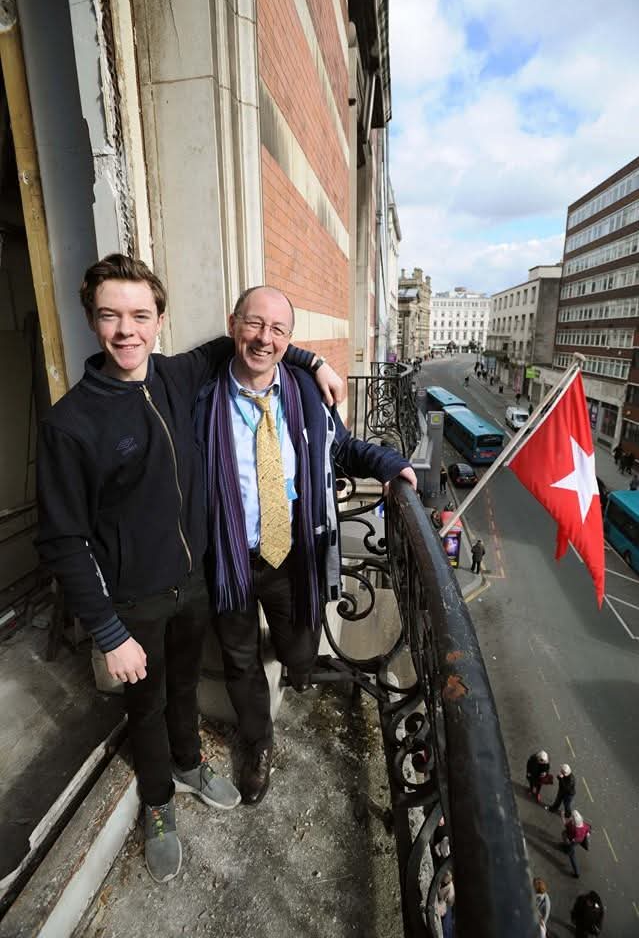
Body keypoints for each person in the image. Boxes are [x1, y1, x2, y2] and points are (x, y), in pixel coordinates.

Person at [36, 255, 342, 884]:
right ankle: (157, 803)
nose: (127, 330)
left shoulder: (178, 375)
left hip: (197, 582)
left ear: (159, 320)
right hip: (134, 599)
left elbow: (260, 340)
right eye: (111, 316)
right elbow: (64, 540)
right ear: (91, 320)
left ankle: (186, 761)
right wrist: (108, 632)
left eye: (140, 315)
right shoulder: (70, 424)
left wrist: (314, 362)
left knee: (181, 689)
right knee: (144, 704)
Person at [201, 286, 417, 805]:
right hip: (227, 557)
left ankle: (298, 667)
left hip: (289, 555)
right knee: (239, 659)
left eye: (278, 330)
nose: (264, 339)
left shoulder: (303, 390)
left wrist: (389, 465)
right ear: (233, 324)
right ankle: (257, 743)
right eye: (254, 325)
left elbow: (342, 447)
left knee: (300, 646)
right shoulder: (201, 394)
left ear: (289, 339)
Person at [562, 809, 591, 878]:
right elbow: (588, 830)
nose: (571, 818)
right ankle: (566, 849)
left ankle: (576, 872)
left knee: (572, 856)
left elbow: (566, 826)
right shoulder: (584, 825)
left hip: (573, 841)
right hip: (579, 841)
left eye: (572, 817)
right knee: (569, 847)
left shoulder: (572, 827)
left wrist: (562, 816)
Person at [436, 870, 455, 938]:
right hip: (445, 905)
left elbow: (449, 901)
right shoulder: (442, 883)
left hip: (446, 906)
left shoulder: (450, 887)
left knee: (447, 930)